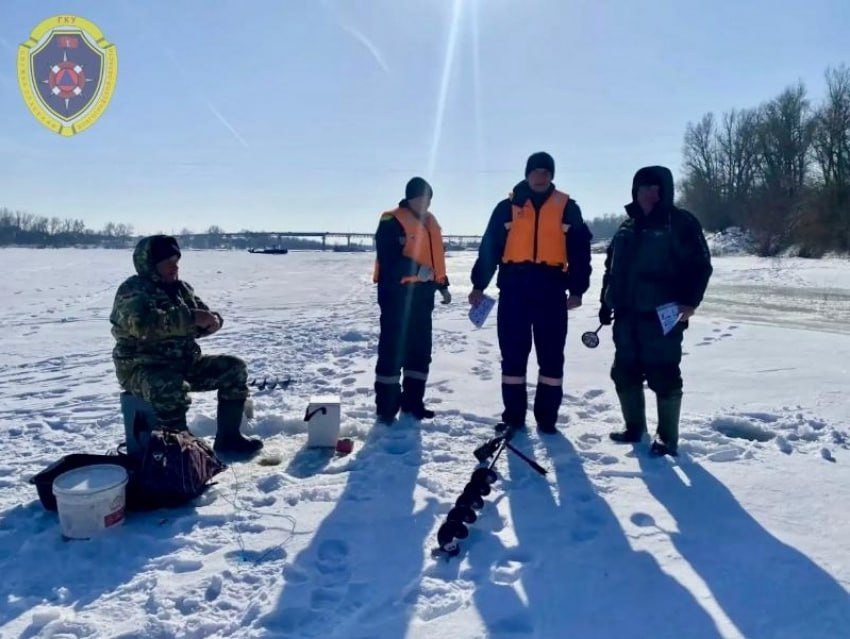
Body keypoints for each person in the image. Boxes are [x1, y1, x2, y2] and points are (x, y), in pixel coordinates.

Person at [468, 152, 592, 433]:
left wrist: (578, 289)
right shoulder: (506, 207)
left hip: (551, 289)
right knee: (513, 354)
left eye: (546, 172)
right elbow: (490, 247)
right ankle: (513, 416)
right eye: (535, 171)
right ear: (527, 174)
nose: (540, 176)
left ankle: (547, 419)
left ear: (552, 176)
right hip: (514, 288)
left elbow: (580, 251)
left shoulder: (568, 208)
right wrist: (478, 284)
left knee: (551, 356)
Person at [110, 235, 263, 455]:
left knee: (234, 369)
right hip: (142, 368)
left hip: (184, 362)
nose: (175, 267)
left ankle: (229, 438)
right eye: (167, 262)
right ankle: (181, 452)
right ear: (151, 264)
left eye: (176, 260)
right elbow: (143, 327)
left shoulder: (181, 289)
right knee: (171, 387)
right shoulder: (132, 291)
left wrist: (212, 322)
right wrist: (191, 319)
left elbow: (203, 314)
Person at [599, 165, 713, 456]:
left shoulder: (681, 223)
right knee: (624, 373)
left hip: (663, 315)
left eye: (657, 188)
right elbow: (611, 269)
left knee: (664, 374)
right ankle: (634, 427)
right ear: (635, 192)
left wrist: (690, 301)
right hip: (626, 315)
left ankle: (667, 437)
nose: (651, 193)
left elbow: (700, 266)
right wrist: (605, 302)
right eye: (645, 188)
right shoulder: (626, 227)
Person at [372, 177, 451, 424]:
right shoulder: (391, 220)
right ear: (409, 198)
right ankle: (387, 408)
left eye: (428, 198)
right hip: (397, 297)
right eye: (420, 198)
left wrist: (443, 286)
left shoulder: (430, 222)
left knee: (420, 352)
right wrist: (416, 270)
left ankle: (413, 403)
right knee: (393, 351)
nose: (424, 203)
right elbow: (388, 257)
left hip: (422, 298)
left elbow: (435, 260)